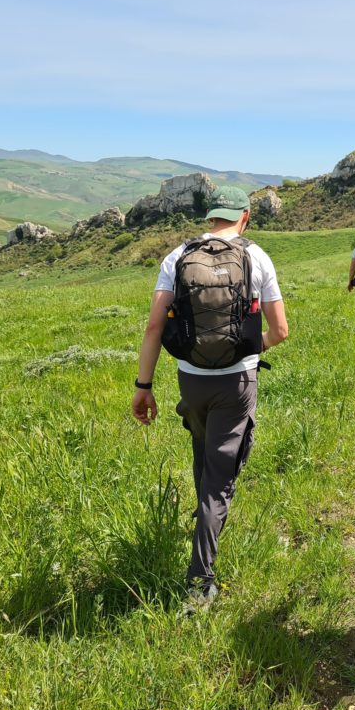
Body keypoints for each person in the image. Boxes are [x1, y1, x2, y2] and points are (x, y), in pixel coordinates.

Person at [131, 185, 288, 613]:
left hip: (191, 380)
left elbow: (153, 328)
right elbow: (280, 330)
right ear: (246, 216)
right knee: (220, 479)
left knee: (204, 457)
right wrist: (251, 352)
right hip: (237, 382)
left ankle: (205, 522)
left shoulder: (177, 257)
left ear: (211, 216)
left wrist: (143, 387)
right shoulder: (258, 257)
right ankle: (200, 583)